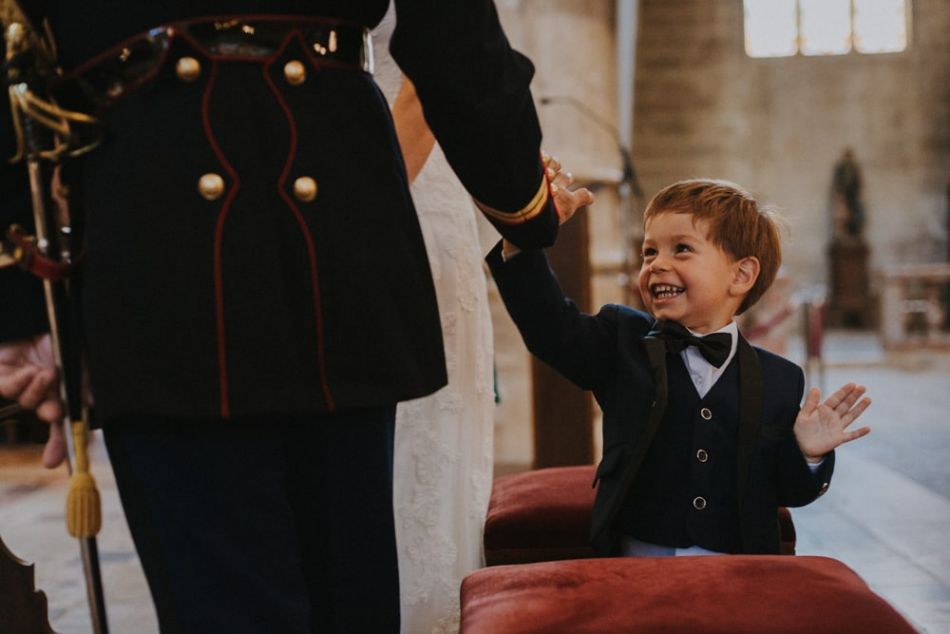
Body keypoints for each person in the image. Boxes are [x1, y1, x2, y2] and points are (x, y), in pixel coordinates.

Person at [0, 3, 581, 631]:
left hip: (157, 237)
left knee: (225, 603)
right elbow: (457, 43)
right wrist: (525, 204)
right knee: (348, 597)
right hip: (334, 222)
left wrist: (25, 308)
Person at [488, 177, 871, 556]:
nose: (657, 265)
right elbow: (551, 330)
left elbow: (786, 490)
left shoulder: (781, 379)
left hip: (738, 567)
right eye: (649, 252)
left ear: (741, 275)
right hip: (638, 555)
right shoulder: (622, 340)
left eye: (681, 249)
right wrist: (523, 242)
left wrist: (808, 453)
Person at [373, 10, 494, 632]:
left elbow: (431, 72)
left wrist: (366, 205)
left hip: (402, 185)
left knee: (424, 430)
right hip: (326, 182)